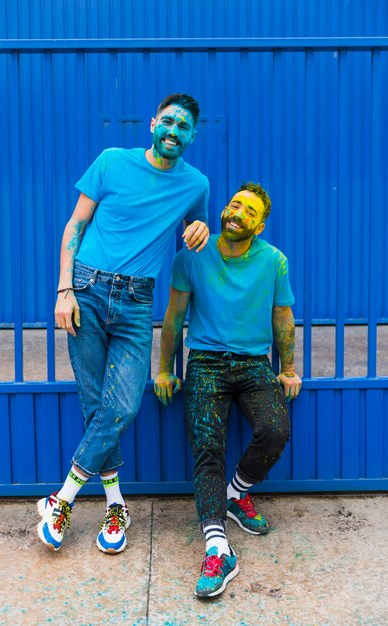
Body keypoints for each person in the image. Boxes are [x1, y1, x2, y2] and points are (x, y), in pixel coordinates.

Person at [37, 94, 210, 554]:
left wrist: (201, 231)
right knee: (97, 406)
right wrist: (64, 290)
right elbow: (74, 225)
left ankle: (63, 497)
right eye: (168, 121)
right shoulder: (112, 161)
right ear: (153, 123)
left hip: (136, 303)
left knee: (122, 406)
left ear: (193, 135)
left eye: (184, 126)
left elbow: (195, 233)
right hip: (86, 290)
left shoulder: (196, 185)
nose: (174, 130)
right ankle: (116, 504)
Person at [154, 182, 302, 598]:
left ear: (261, 223)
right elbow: (174, 316)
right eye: (234, 205)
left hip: (254, 364)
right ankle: (218, 548)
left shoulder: (273, 261)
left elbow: (282, 316)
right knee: (207, 447)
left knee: (275, 430)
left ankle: (235, 494)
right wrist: (165, 370)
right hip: (205, 363)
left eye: (249, 210)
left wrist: (287, 368)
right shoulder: (191, 257)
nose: (237, 213)